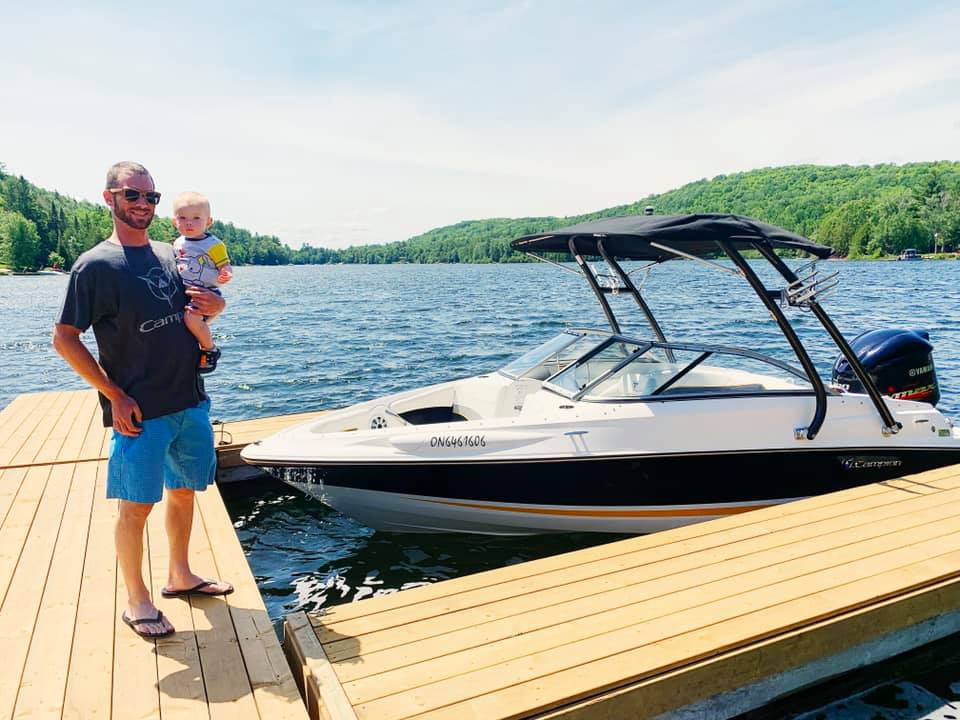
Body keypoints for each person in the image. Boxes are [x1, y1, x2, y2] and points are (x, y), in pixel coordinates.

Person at [52, 161, 233, 639]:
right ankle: (137, 600)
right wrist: (113, 394)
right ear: (109, 198)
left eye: (151, 197)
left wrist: (217, 306)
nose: (143, 205)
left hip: (189, 401)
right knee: (135, 506)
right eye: (133, 195)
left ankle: (180, 575)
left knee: (184, 491)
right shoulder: (95, 266)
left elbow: (200, 305)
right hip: (140, 410)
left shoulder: (170, 255)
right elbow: (65, 339)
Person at [171, 191, 232, 373]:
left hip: (207, 292)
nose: (189, 223)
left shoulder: (213, 244)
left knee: (191, 319)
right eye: (183, 218)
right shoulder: (178, 243)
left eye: (196, 218)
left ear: (209, 222)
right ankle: (198, 350)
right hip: (190, 294)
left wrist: (226, 274)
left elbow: (225, 264)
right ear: (175, 222)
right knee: (192, 325)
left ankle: (210, 349)